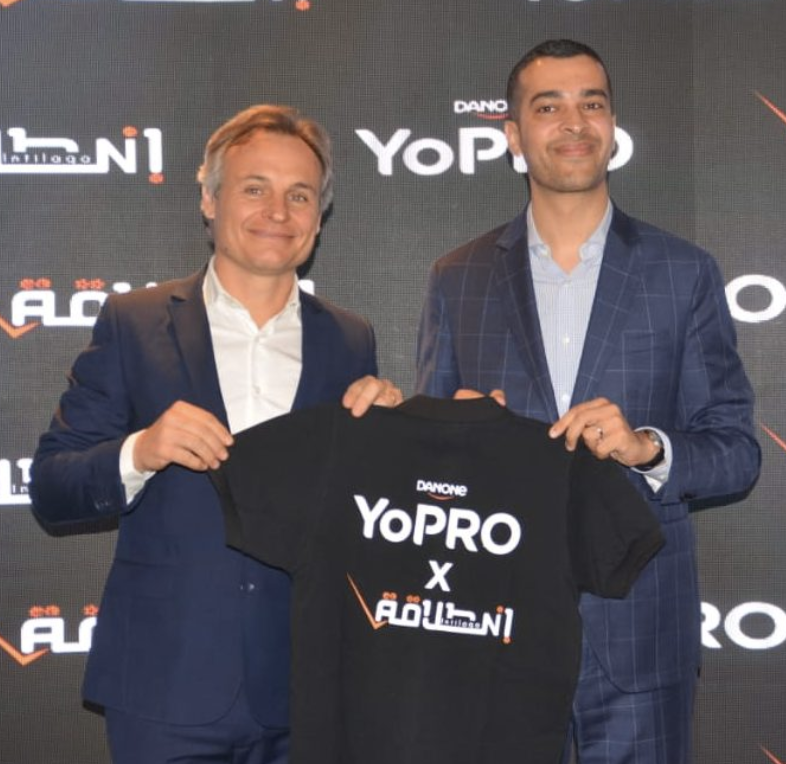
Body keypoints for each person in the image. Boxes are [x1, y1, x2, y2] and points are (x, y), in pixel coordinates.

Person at [415, 39, 760, 764]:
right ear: (513, 136)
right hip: (496, 634)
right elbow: (427, 473)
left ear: (612, 126)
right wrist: (458, 441)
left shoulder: (683, 272)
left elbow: (736, 451)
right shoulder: (458, 278)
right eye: (548, 107)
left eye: (592, 104)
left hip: (641, 638)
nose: (574, 123)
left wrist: (648, 448)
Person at [30, 104, 401, 764]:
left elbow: (360, 518)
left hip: (305, 689)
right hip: (164, 683)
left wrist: (391, 441)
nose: (277, 212)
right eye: (255, 188)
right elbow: (52, 488)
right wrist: (140, 452)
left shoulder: (350, 339)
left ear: (319, 217)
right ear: (209, 199)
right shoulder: (133, 322)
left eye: (299, 195)